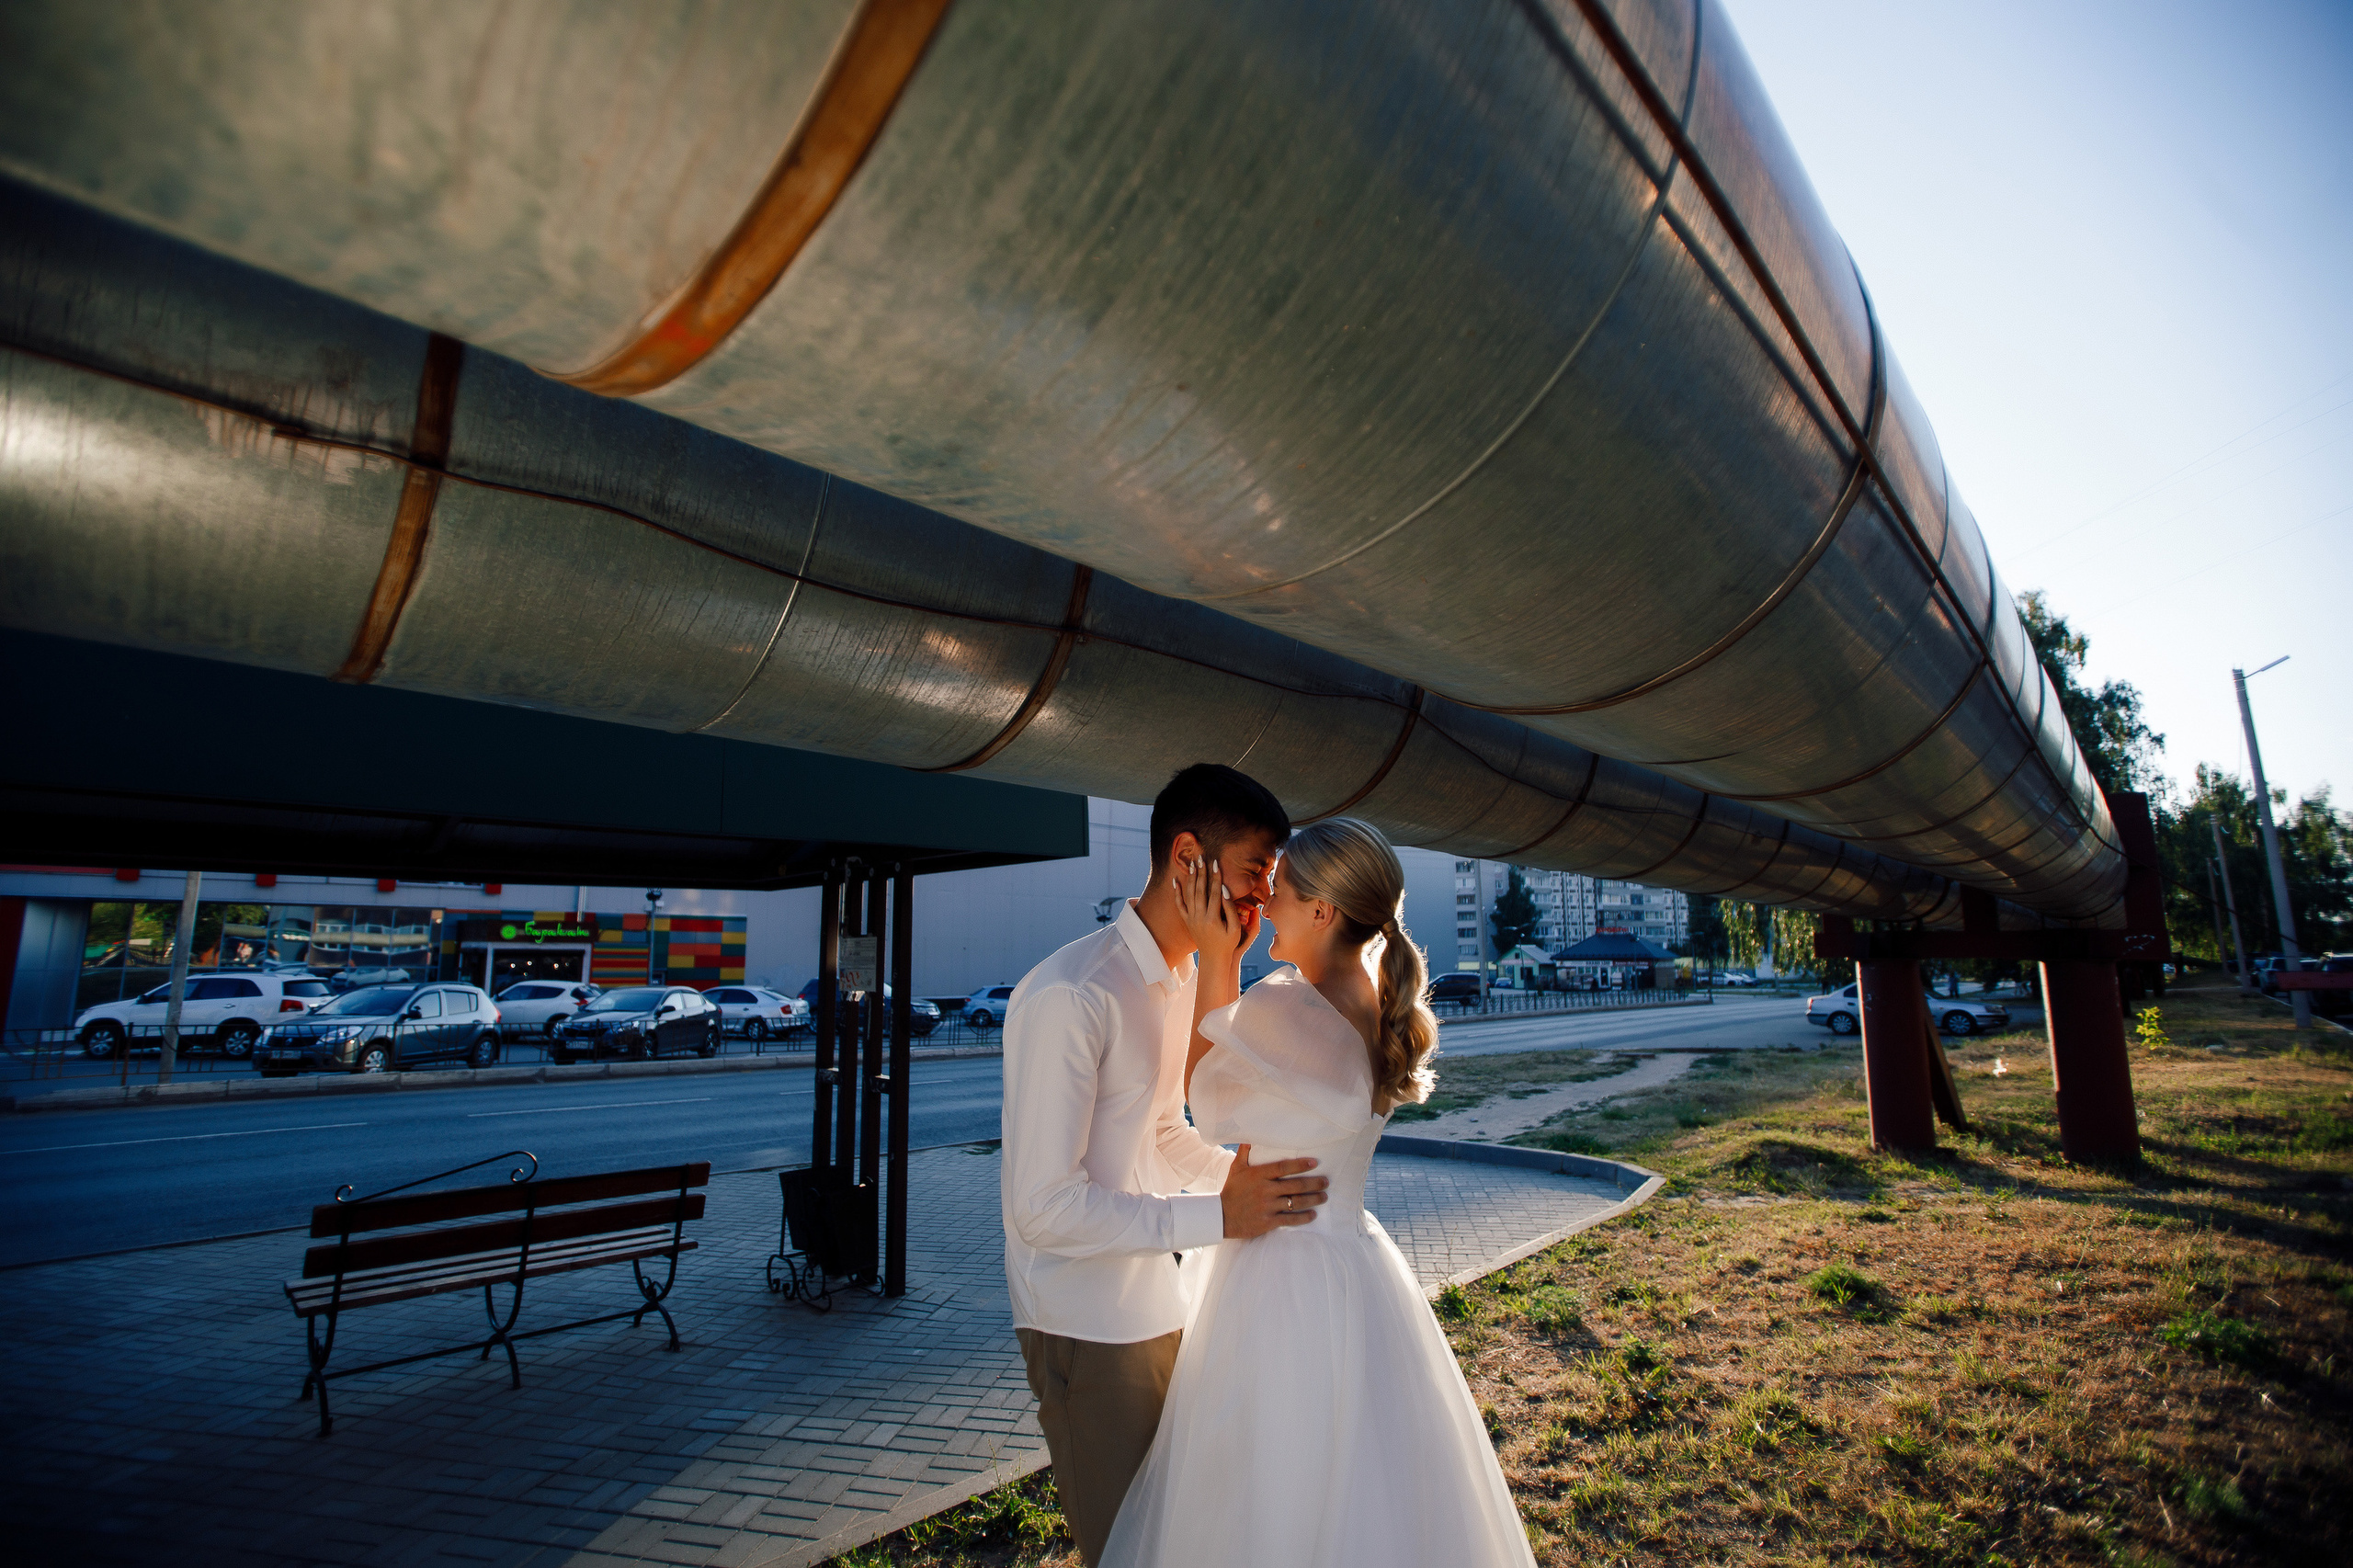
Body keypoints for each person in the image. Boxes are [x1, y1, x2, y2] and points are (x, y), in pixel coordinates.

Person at [1102, 818, 1538, 1568]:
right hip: (1350, 1259)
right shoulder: (1367, 999)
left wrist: (1215, 956)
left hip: (1283, 1274)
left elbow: (1202, 1097)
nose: (1264, 904)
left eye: (1283, 892)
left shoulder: (1294, 1006)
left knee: (1269, 1475)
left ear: (1322, 913)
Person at [1000, 764, 1333, 1567]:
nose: (1263, 902)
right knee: (1125, 1551)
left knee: (1184, 1541)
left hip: (1164, 1304)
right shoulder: (1074, 994)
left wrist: (1250, 1186)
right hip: (1087, 1324)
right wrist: (1221, 1216)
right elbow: (1041, 1206)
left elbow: (1163, 1131)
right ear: (1189, 856)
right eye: (1256, 874)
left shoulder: (1180, 975)